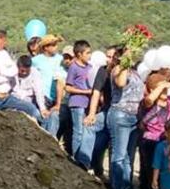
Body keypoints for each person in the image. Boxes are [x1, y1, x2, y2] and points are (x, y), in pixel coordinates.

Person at [107, 46, 143, 189]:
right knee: (119, 155)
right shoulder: (117, 70)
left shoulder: (136, 73)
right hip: (120, 114)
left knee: (129, 156)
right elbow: (121, 83)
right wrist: (125, 61)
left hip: (134, 117)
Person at [0, 29, 37, 117]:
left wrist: (1, 72)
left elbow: (14, 69)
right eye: (5, 40)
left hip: (7, 97)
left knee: (31, 109)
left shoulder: (4, 54)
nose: (6, 42)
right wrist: (7, 77)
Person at [80, 46, 115, 180]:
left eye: (112, 56)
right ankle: (84, 164)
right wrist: (92, 114)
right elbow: (96, 92)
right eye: (108, 56)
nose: (109, 59)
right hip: (106, 111)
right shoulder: (103, 71)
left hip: (120, 112)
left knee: (112, 147)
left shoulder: (127, 72)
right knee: (93, 132)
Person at [65, 41, 94, 169]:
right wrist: (85, 92)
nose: (89, 55)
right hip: (77, 103)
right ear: (79, 54)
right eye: (87, 53)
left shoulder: (90, 67)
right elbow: (68, 87)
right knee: (78, 131)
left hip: (88, 103)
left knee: (86, 131)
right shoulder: (74, 67)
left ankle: (83, 160)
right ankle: (76, 160)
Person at [31, 35, 66, 138]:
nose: (56, 47)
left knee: (54, 120)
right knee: (44, 121)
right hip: (43, 96)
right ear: (46, 47)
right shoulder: (36, 60)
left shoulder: (61, 59)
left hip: (57, 97)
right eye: (53, 45)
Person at [11, 55, 47, 122]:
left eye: (27, 71)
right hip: (13, 99)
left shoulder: (35, 73)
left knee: (38, 115)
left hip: (29, 99)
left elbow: (38, 91)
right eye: (22, 71)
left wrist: (42, 108)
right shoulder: (11, 71)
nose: (24, 73)